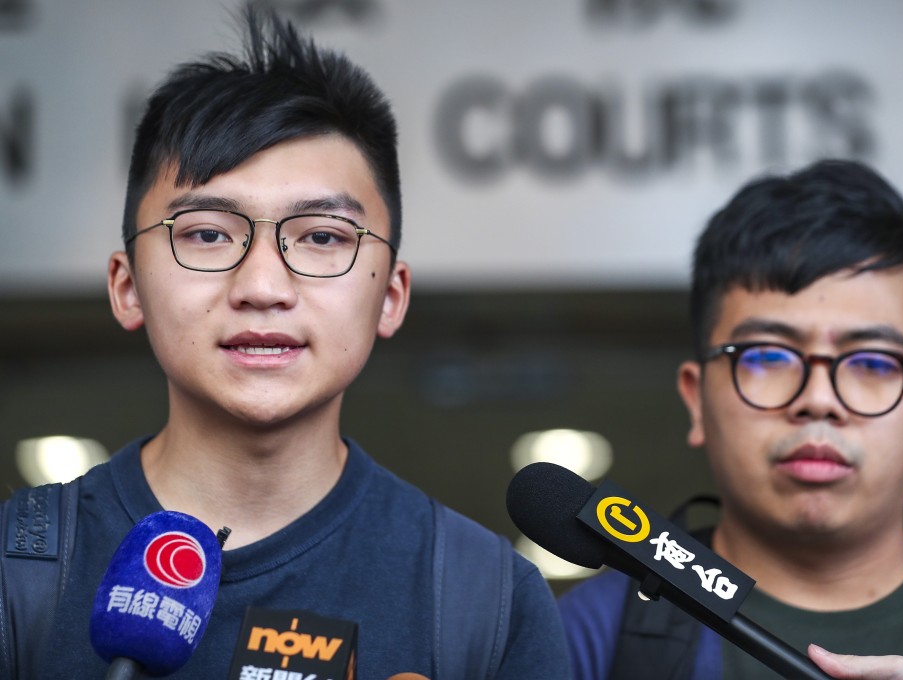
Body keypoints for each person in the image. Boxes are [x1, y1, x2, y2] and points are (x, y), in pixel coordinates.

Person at [0, 7, 568, 679]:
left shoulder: (489, 602)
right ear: (127, 287)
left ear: (391, 296)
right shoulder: (17, 567)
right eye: (207, 234)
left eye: (323, 236)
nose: (263, 286)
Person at [558, 159, 903, 679]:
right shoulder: (584, 638)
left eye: (873, 362)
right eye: (767, 357)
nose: (819, 400)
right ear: (696, 400)